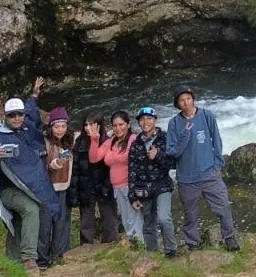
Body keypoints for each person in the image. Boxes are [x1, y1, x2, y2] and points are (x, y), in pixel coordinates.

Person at [0, 77, 61, 275]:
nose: (17, 118)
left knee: (18, 221)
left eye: (19, 114)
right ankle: (29, 259)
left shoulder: (26, 129)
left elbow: (32, 112)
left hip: (28, 185)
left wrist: (34, 94)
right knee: (31, 209)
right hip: (9, 190)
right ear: (5, 116)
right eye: (12, 115)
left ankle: (11, 260)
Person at [166, 87, 240, 252]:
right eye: (182, 100)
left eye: (188, 98)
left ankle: (229, 238)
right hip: (186, 178)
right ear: (177, 104)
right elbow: (172, 151)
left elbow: (217, 141)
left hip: (209, 173)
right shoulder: (174, 123)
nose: (186, 102)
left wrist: (217, 165)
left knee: (224, 207)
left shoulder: (207, 115)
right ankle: (193, 243)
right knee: (190, 214)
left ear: (193, 99)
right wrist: (185, 135)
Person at [127, 106, 177, 257]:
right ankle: (152, 254)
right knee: (148, 223)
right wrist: (132, 196)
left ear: (155, 120)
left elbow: (173, 164)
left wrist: (159, 155)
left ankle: (171, 251)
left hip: (162, 185)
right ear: (139, 123)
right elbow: (132, 171)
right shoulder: (136, 144)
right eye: (142, 119)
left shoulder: (165, 138)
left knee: (164, 218)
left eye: (149, 118)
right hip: (143, 188)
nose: (145, 122)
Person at [91, 110, 140, 246]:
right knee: (126, 221)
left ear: (128, 124)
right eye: (115, 125)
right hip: (117, 188)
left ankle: (141, 250)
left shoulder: (133, 139)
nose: (118, 128)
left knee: (135, 221)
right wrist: (94, 140)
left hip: (131, 186)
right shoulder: (111, 142)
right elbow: (94, 158)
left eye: (121, 124)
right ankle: (136, 249)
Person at [72, 112, 120, 244]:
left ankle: (110, 244)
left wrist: (107, 185)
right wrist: (75, 192)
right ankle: (85, 248)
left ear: (99, 125)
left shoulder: (108, 141)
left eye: (92, 125)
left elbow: (112, 167)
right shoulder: (80, 142)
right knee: (86, 221)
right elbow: (75, 169)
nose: (88, 128)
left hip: (104, 185)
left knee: (109, 218)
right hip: (86, 186)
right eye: (86, 125)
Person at [38, 108, 76, 267]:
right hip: (47, 190)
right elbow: (44, 165)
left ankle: (59, 254)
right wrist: (56, 164)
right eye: (56, 126)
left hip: (64, 188)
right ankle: (42, 259)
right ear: (50, 127)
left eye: (63, 126)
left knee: (61, 223)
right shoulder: (44, 143)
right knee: (45, 225)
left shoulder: (69, 140)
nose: (60, 130)